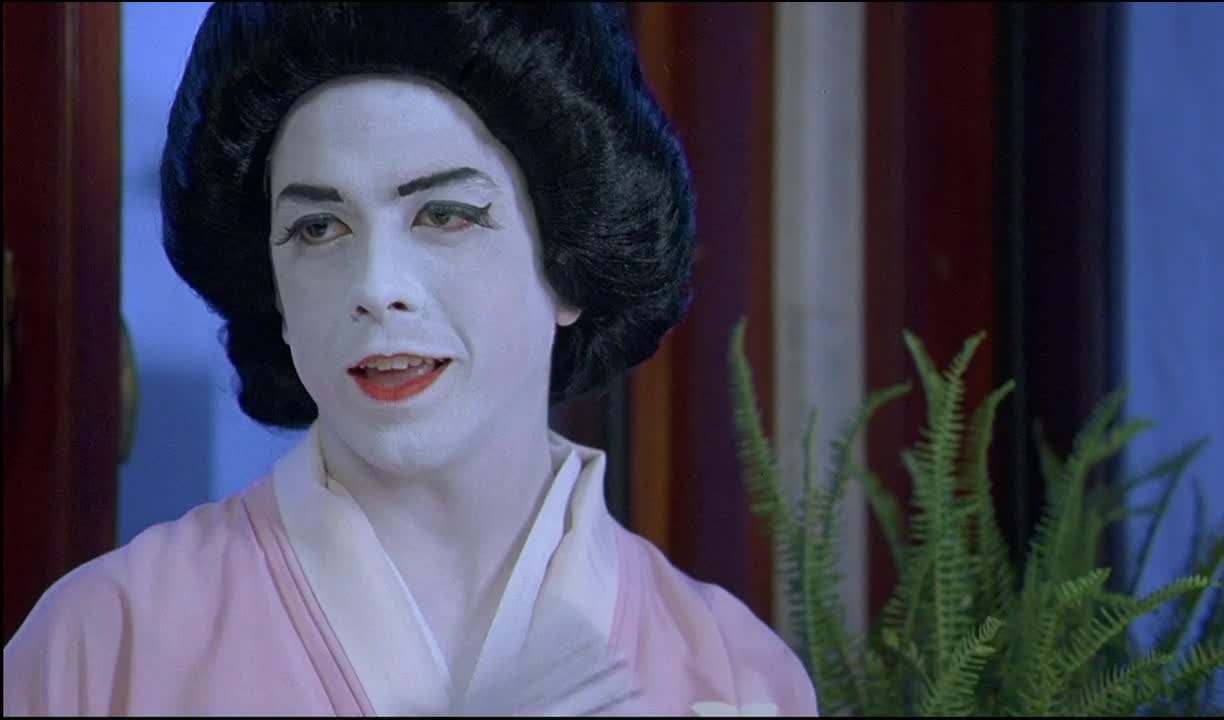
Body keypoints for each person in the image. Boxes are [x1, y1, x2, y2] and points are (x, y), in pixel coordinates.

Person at [2, 3, 817, 715]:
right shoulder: (103, 641)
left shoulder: (734, 673)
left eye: (445, 215)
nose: (376, 288)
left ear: (569, 262)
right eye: (319, 228)